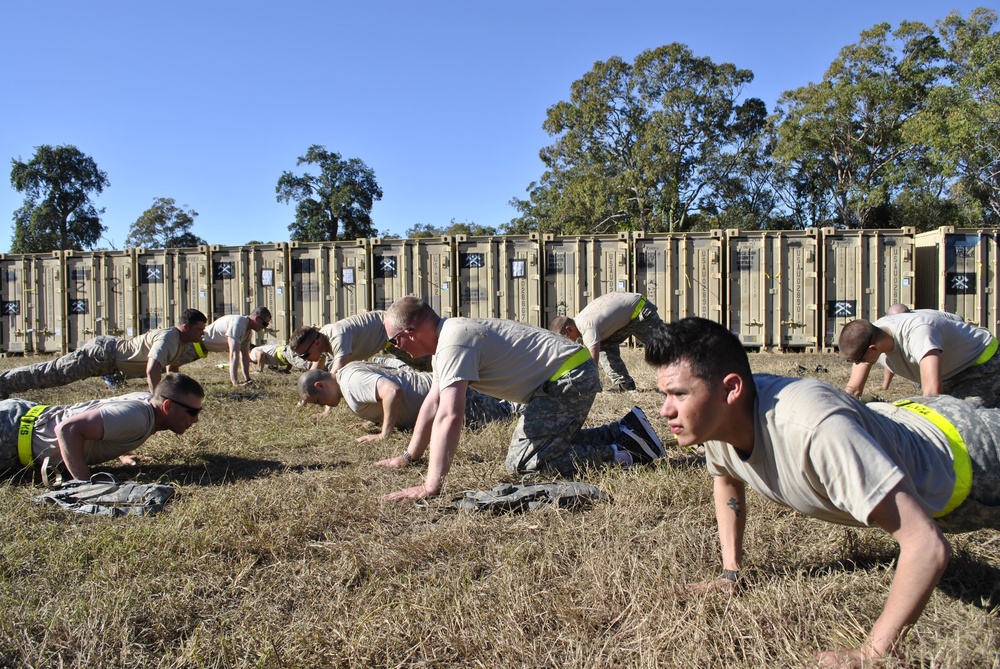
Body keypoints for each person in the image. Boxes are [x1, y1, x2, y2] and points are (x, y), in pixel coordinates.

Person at [646, 316, 1000, 665]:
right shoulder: (718, 419)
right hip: (908, 418)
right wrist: (731, 573)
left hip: (971, 456)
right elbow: (726, 479)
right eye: (665, 394)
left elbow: (927, 546)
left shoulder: (815, 430)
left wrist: (873, 653)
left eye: (679, 394)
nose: (666, 411)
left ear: (731, 388)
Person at [375, 296, 666, 501]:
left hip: (568, 377)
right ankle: (625, 432)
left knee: (526, 463)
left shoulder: (454, 341)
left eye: (393, 341)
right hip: (563, 376)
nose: (394, 348)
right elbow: (432, 404)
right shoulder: (447, 343)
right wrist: (408, 457)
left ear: (410, 332)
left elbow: (450, 415)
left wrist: (430, 486)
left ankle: (625, 452)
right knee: (538, 450)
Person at [0, 372, 205, 481]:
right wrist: (85, 485)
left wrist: (122, 452)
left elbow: (109, 420)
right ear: (167, 406)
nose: (195, 420)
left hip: (21, 419)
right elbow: (67, 429)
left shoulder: (145, 404)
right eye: (192, 412)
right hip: (10, 434)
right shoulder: (138, 417)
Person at [0, 309, 208, 396]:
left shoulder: (181, 341)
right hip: (101, 355)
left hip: (110, 362)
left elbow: (171, 369)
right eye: (199, 329)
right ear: (185, 327)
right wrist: (156, 397)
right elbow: (152, 367)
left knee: (52, 376)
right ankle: (4, 383)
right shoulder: (168, 337)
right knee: (51, 374)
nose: (202, 333)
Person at [298, 361, 524, 441]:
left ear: (321, 385)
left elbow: (392, 391)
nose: (321, 405)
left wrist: (384, 434)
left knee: (510, 412)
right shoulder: (348, 373)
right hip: (443, 391)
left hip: (450, 398)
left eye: (318, 401)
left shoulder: (351, 382)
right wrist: (373, 421)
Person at [839, 309, 999, 407]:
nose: (857, 364)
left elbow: (933, 396)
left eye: (858, 360)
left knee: (975, 422)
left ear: (872, 348)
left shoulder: (919, 335)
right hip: (948, 372)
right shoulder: (872, 337)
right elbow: (853, 390)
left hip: (980, 364)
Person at [549, 292, 662, 392]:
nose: (566, 342)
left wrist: (588, 385)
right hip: (626, 318)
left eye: (565, 338)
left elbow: (593, 362)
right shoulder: (581, 321)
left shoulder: (587, 327)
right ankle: (623, 383)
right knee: (604, 345)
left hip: (640, 311)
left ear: (569, 329)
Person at [172, 308, 271, 386]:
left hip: (201, 348)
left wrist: (247, 379)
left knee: (166, 365)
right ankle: (169, 389)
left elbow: (244, 355)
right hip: (195, 344)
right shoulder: (239, 323)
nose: (265, 327)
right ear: (257, 319)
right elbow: (233, 354)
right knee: (167, 364)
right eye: (265, 324)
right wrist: (235, 382)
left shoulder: (247, 331)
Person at [317, 311, 432, 374]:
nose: (306, 359)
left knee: (428, 360)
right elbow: (315, 369)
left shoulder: (337, 335)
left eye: (305, 354)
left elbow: (336, 373)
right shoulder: (321, 339)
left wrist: (326, 408)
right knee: (419, 366)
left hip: (391, 331)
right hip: (386, 339)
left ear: (316, 343)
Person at [249, 326, 333, 374]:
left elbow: (260, 354)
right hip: (285, 352)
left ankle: (329, 371)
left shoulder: (253, 352)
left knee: (308, 365)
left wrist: (259, 370)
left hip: (284, 353)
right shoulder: (261, 347)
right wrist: (287, 369)